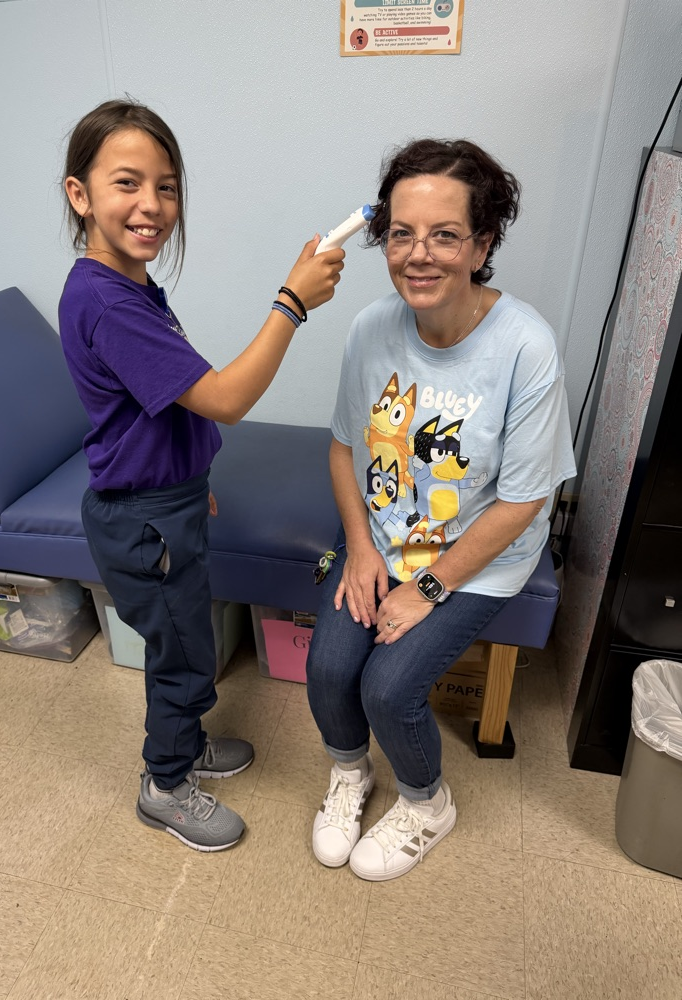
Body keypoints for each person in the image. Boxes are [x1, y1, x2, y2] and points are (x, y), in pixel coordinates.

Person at [58, 99, 343, 853]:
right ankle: (165, 782)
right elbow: (224, 397)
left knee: (185, 640)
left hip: (164, 503)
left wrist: (191, 474)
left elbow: (164, 406)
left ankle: (182, 743)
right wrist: (292, 303)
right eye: (127, 183)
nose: (152, 206)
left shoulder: (127, 285)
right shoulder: (106, 300)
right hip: (145, 519)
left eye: (168, 186)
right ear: (79, 194)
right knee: (183, 655)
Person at [306, 138, 576, 881]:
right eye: (401, 233)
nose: (418, 255)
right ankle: (350, 774)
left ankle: (427, 802)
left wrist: (426, 589)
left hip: (478, 555)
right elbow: (341, 452)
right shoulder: (370, 329)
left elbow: (524, 501)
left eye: (445, 235)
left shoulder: (525, 346)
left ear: (482, 243)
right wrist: (361, 550)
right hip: (382, 533)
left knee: (388, 688)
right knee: (329, 667)